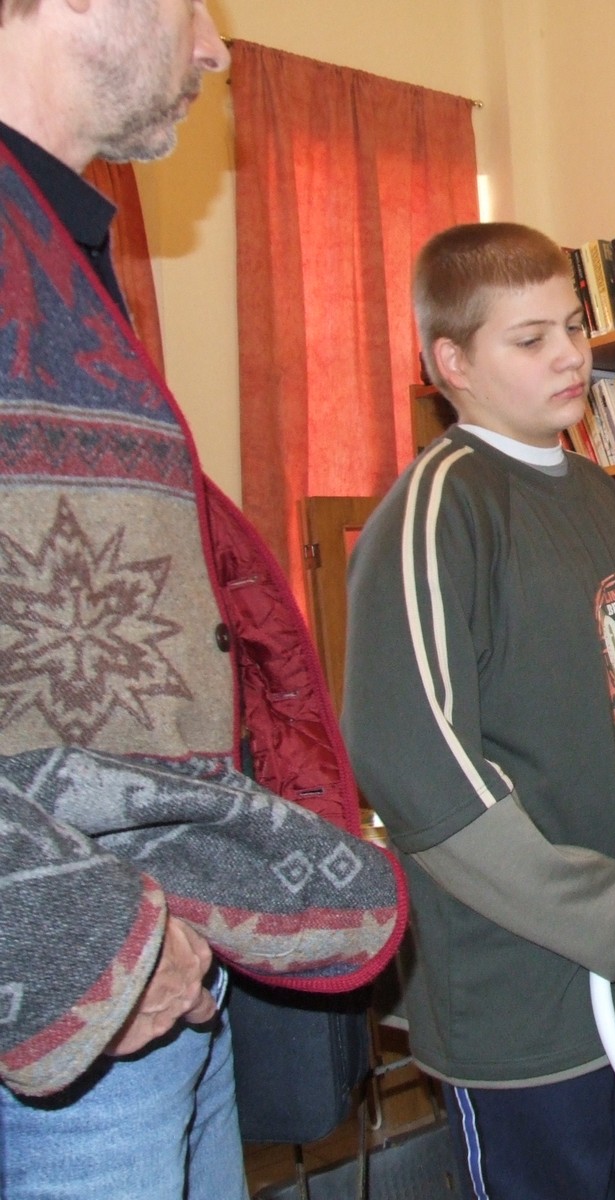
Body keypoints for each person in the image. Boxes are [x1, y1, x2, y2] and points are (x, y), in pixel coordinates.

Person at [0, 2, 404, 1197]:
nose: (216, 49)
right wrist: (85, 940)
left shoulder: (55, 240)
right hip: (74, 986)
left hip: (156, 959)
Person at [341, 222, 615, 1200]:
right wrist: (603, 916)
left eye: (575, 326)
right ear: (452, 364)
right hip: (528, 996)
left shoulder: (597, 492)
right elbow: (413, 764)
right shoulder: (438, 509)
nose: (570, 356)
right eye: (530, 338)